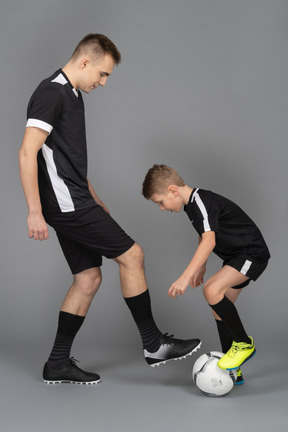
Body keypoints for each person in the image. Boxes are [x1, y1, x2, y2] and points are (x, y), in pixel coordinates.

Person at [18, 35, 201, 385]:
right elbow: (28, 152)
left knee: (88, 278)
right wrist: (34, 211)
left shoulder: (71, 93)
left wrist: (93, 194)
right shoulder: (50, 93)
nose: (102, 83)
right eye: (102, 74)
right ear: (84, 62)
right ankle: (153, 344)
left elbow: (65, 157)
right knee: (133, 256)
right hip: (66, 205)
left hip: (76, 199)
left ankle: (57, 364)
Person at [142, 164, 270, 385]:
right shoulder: (191, 206)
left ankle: (244, 344)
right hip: (235, 257)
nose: (162, 208)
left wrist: (185, 276)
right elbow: (204, 236)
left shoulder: (201, 201)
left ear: (173, 190)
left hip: (251, 254)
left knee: (211, 290)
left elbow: (210, 240)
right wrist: (201, 266)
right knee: (219, 309)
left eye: (160, 202)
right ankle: (234, 370)